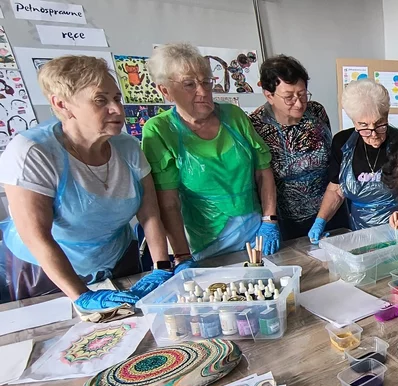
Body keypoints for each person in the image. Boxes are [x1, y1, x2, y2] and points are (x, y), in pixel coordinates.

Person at [0, 56, 172, 311]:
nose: (117, 109)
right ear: (62, 104)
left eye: (117, 98)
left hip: (118, 258)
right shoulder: (32, 152)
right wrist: (80, 295)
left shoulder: (127, 147)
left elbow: (150, 214)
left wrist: (161, 267)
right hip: (49, 273)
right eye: (100, 100)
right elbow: (36, 237)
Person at [142, 43, 279, 267]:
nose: (203, 91)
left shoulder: (234, 116)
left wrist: (269, 220)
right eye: (189, 84)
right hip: (206, 242)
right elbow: (168, 203)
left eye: (206, 82)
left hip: (257, 234)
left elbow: (263, 169)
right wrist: (182, 256)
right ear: (165, 91)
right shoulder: (159, 130)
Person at [308, 79, 398, 243]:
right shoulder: (342, 143)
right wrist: (320, 221)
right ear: (353, 121)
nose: (373, 134)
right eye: (364, 126)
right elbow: (336, 189)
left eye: (380, 124)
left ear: (387, 115)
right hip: (358, 235)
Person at [250, 55, 332, 240]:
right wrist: (269, 221)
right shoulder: (255, 125)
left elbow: (331, 159)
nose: (299, 103)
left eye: (302, 94)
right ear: (269, 95)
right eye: (289, 97)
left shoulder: (317, 112)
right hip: (285, 221)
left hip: (328, 212)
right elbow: (260, 177)